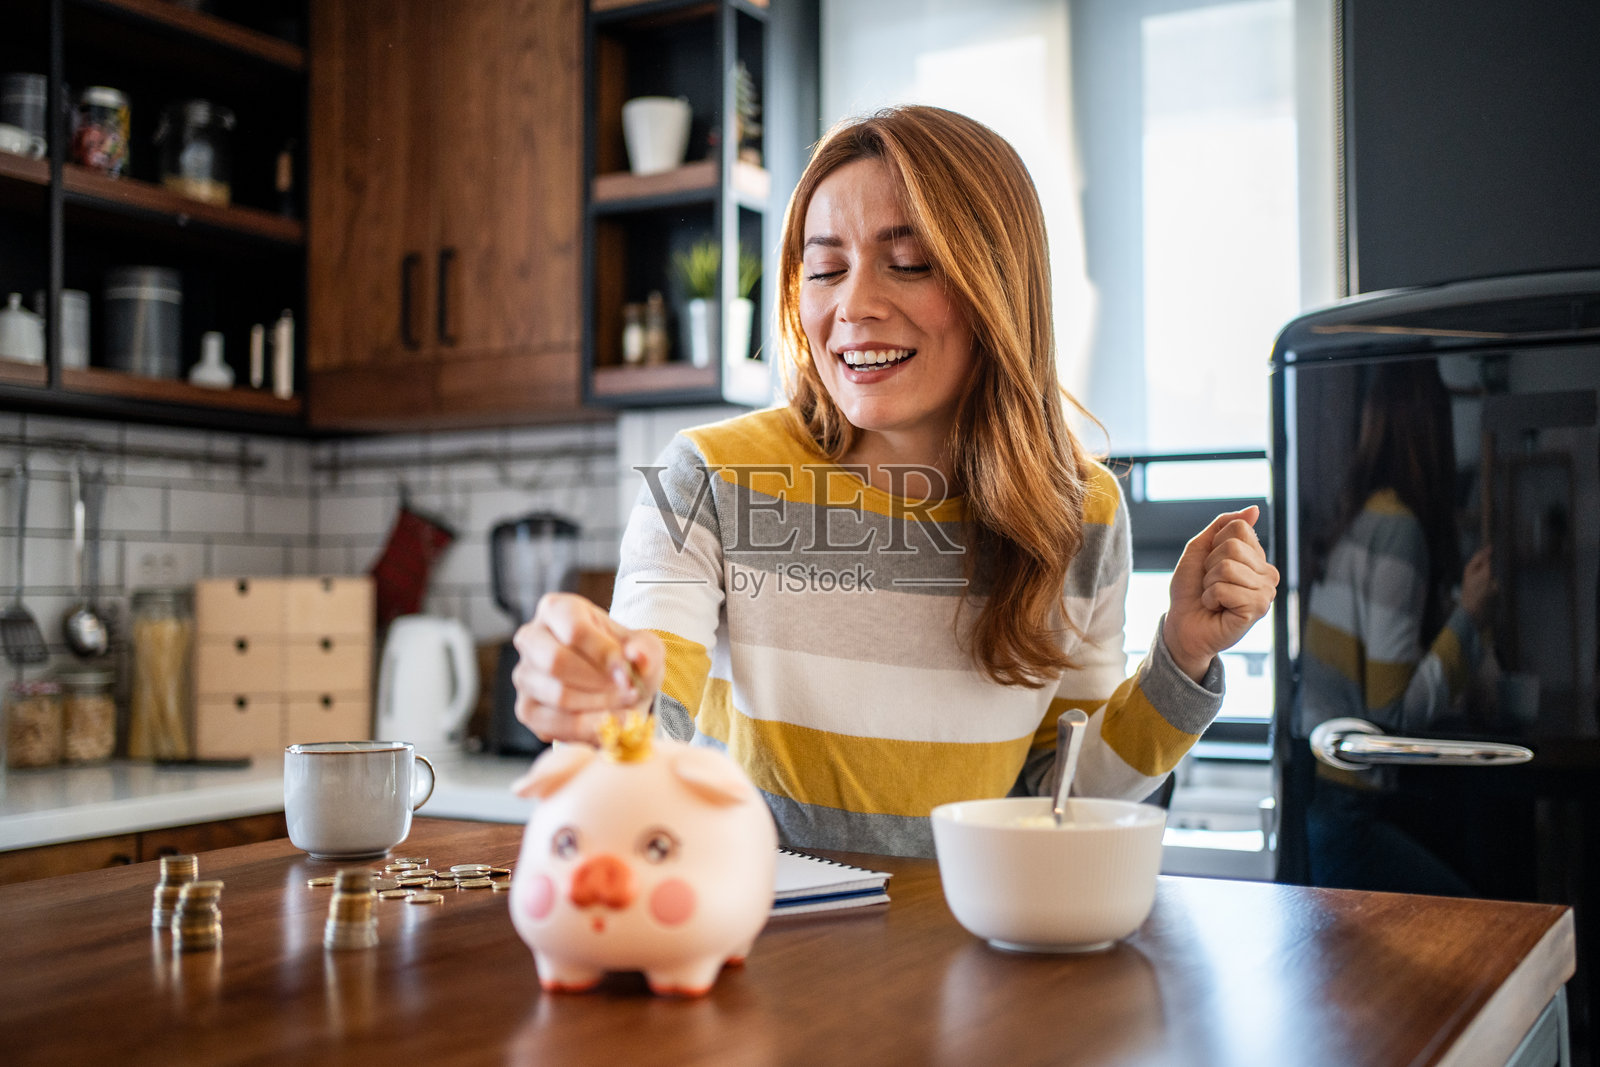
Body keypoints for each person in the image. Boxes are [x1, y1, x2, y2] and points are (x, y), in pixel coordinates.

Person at [513, 105, 1278, 857]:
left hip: (972, 947)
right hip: (751, 943)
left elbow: (1064, 794)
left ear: (998, 286)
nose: (852, 306)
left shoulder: (1080, 514)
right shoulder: (709, 476)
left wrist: (1181, 654)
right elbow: (650, 717)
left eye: (908, 264)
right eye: (824, 269)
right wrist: (601, 698)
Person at [1297, 361, 1493, 894]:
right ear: (1433, 432)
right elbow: (1392, 719)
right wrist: (1469, 616)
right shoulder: (1400, 532)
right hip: (1350, 814)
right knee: (1481, 918)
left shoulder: (1362, 518)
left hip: (1324, 800)